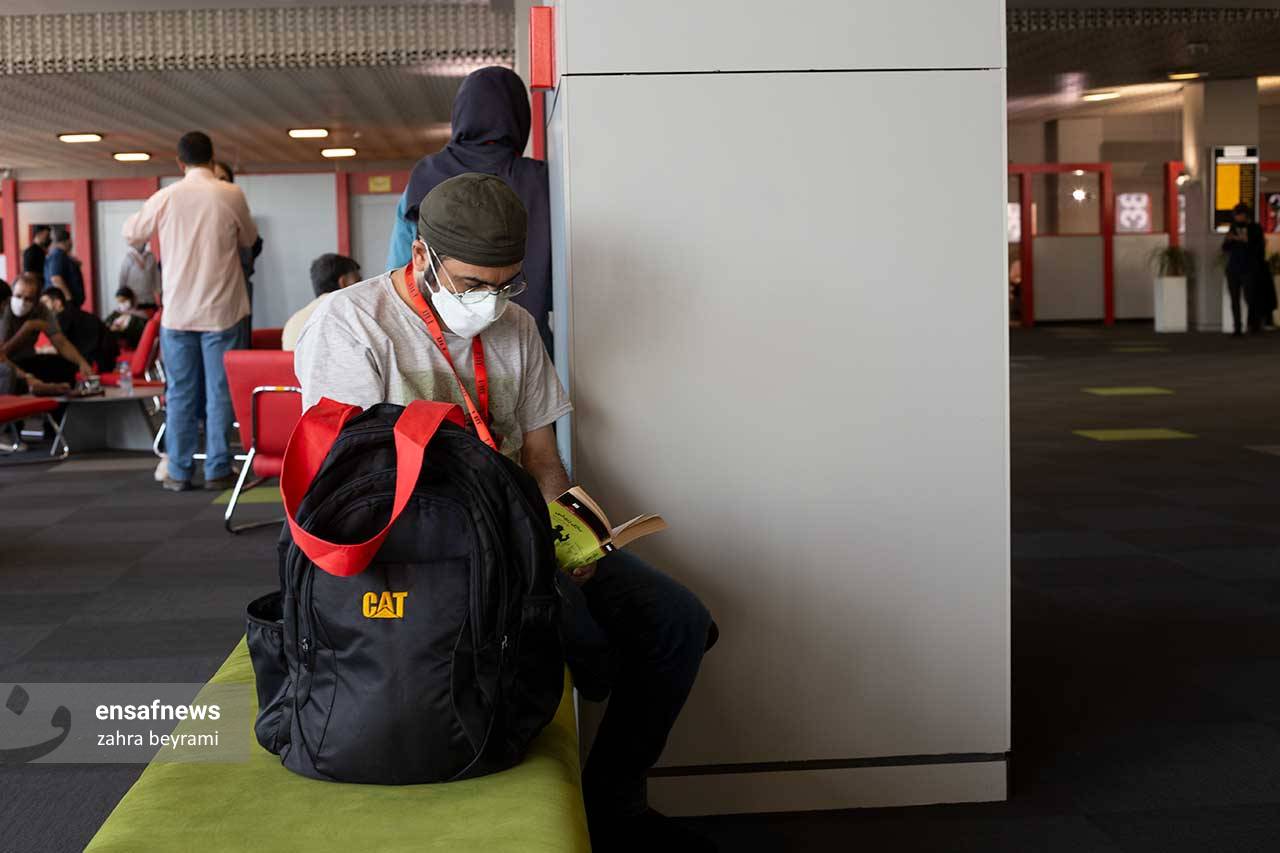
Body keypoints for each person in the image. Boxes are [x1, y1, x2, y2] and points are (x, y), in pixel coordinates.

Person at [298, 174, 716, 853]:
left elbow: (544, 460)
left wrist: (574, 537)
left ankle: (614, 800)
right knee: (582, 636)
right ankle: (583, 659)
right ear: (423, 254)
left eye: (506, 284)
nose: (489, 302)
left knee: (680, 623)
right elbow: (355, 483)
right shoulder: (351, 324)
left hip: (522, 534)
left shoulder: (513, 325)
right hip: (420, 550)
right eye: (472, 284)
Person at [123, 131, 259, 492]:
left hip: (178, 314)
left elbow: (132, 233)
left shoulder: (166, 196)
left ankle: (180, 471)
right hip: (222, 312)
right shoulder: (230, 193)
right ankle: (217, 469)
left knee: (180, 393)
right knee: (219, 392)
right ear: (212, 159)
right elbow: (249, 238)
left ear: (179, 162)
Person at [390, 66, 553, 352]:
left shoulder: (427, 174)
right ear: (520, 118)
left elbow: (399, 266)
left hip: (435, 344)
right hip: (522, 343)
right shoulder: (542, 180)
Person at [0, 272, 95, 387]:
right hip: (7, 363)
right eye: (18, 296)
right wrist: (25, 330)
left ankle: (59, 393)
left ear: (36, 301)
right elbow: (2, 354)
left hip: (27, 360)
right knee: (9, 373)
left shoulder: (41, 310)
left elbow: (60, 342)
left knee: (65, 366)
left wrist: (81, 363)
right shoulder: (3, 309)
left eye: (28, 299)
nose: (22, 302)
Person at [213, 161, 264, 349]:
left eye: (222, 179)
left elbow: (254, 245)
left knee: (238, 350)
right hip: (200, 305)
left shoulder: (239, 215)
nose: (218, 184)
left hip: (236, 296)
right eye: (213, 179)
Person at [281, 253, 360, 351]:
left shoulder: (292, 322)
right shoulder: (350, 316)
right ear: (343, 283)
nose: (362, 288)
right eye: (359, 281)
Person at [40, 286, 112, 372]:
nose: (42, 307)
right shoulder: (74, 313)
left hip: (92, 363)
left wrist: (41, 350)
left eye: (45, 302)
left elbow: (60, 348)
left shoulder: (63, 318)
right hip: (104, 359)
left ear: (57, 303)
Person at [43, 228, 85, 308]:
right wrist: (69, 299)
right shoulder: (58, 255)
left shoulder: (60, 256)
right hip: (64, 304)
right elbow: (56, 279)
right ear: (68, 241)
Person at [104, 286, 148, 351]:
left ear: (131, 300)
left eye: (123, 301)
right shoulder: (116, 313)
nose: (121, 304)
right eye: (119, 302)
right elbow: (105, 324)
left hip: (129, 344)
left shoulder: (140, 316)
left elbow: (139, 333)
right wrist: (111, 327)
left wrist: (122, 329)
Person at [118, 242, 161, 308]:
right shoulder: (128, 258)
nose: (140, 244)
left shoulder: (151, 257)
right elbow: (122, 279)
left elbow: (157, 277)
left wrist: (160, 295)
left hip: (149, 299)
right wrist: (122, 299)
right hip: (133, 300)